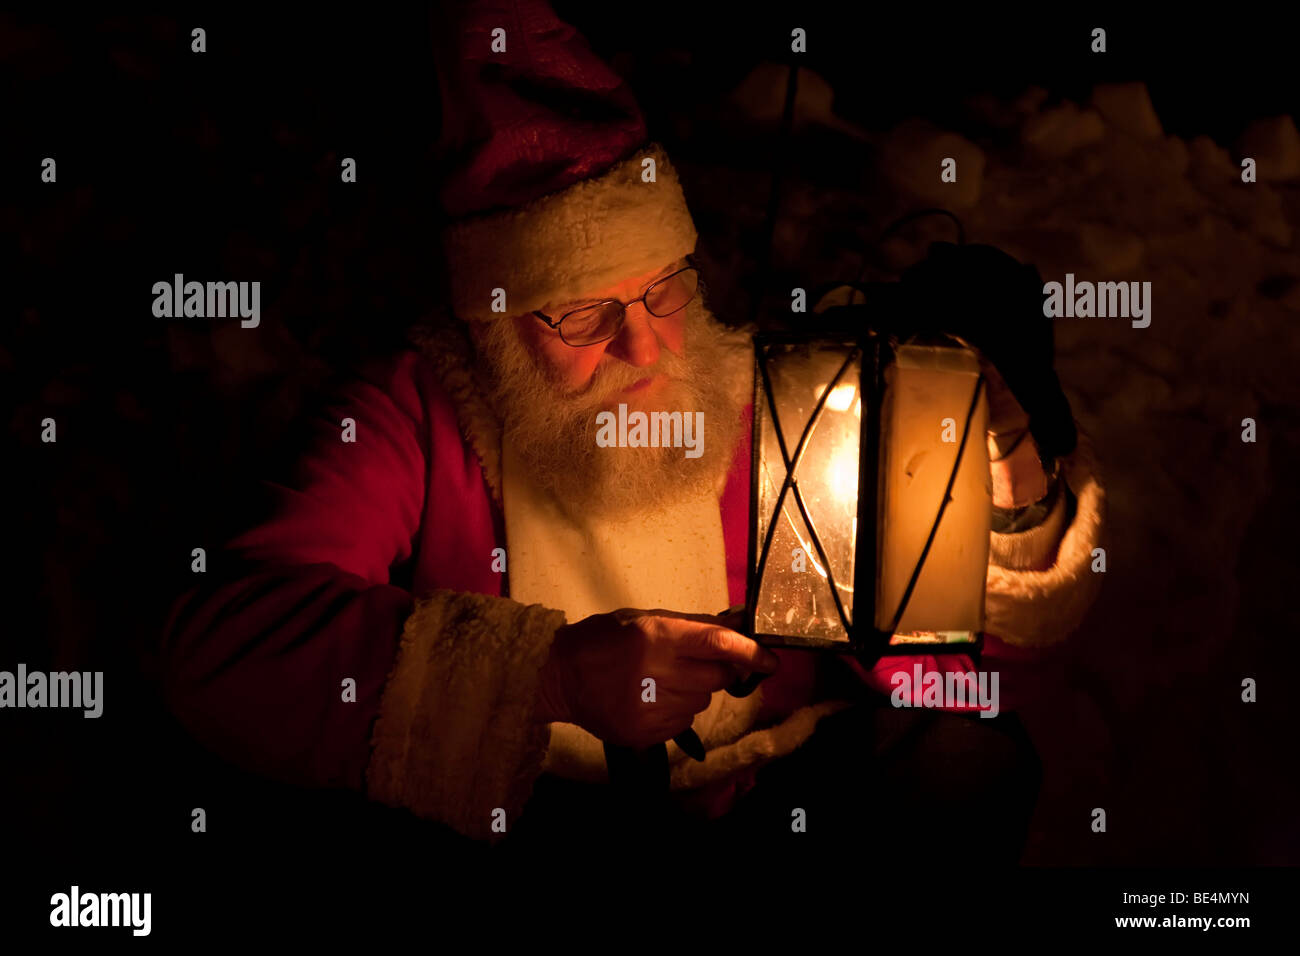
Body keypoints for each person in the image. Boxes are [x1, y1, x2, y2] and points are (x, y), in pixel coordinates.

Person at [161, 0, 1105, 855]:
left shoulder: (760, 397)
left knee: (967, 755)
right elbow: (219, 653)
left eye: (663, 288)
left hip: (763, 798)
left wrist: (1012, 498)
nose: (644, 346)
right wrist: (547, 678)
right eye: (577, 312)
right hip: (534, 823)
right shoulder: (416, 411)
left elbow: (960, 678)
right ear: (492, 322)